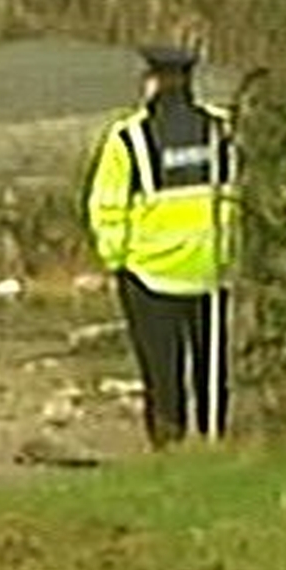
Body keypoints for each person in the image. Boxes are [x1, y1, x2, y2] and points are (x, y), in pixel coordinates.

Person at [86, 45, 236, 447]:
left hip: (151, 272)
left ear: (150, 82)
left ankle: (169, 444)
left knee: (162, 370)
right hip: (214, 268)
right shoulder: (221, 129)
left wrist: (115, 261)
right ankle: (214, 437)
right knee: (213, 367)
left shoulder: (129, 138)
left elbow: (108, 207)